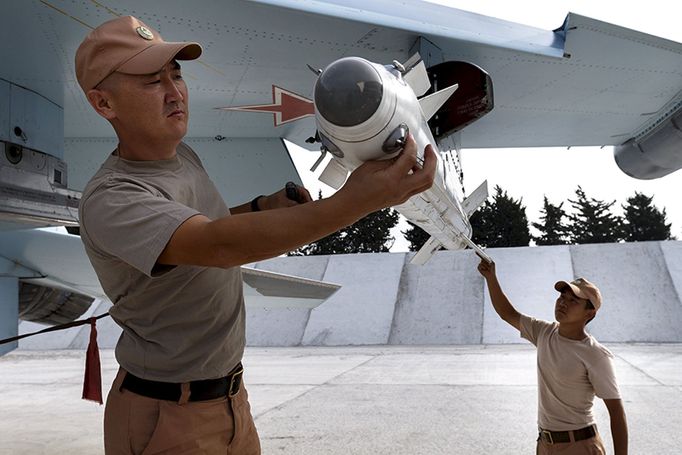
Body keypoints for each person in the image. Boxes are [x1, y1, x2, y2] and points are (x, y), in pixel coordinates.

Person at [75, 15, 435, 455]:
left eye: (176, 74)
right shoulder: (113, 197)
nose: (175, 92)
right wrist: (355, 201)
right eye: (152, 82)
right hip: (167, 416)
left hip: (228, 402)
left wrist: (263, 209)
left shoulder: (180, 156)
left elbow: (202, 230)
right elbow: (217, 245)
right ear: (103, 104)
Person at [477, 257, 628, 455]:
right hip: (545, 444)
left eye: (573, 300)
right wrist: (490, 278)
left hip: (580, 445)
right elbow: (507, 313)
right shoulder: (543, 332)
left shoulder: (595, 355)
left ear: (589, 314)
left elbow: (616, 411)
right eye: (562, 297)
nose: (563, 303)